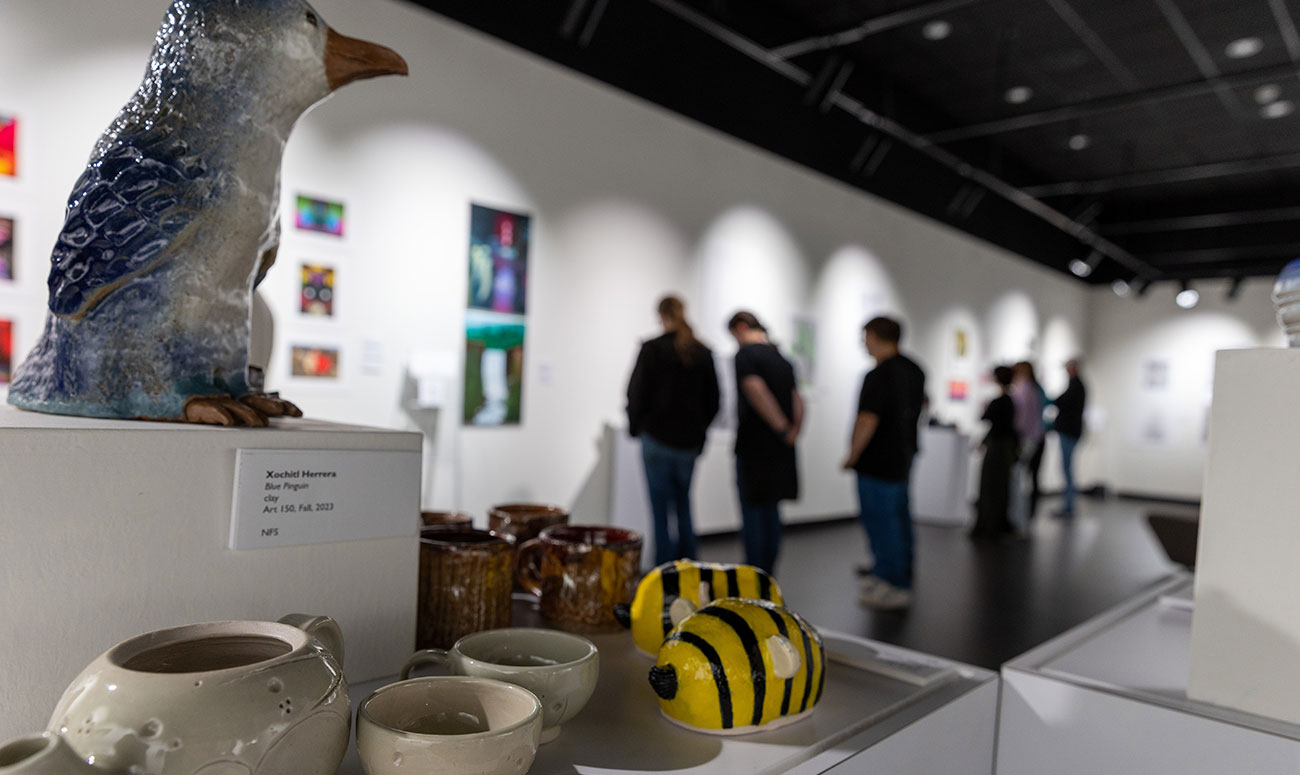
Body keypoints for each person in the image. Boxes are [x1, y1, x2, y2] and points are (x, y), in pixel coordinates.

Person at [626, 296, 721, 566]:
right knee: (684, 508)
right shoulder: (702, 352)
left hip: (656, 441)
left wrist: (637, 428)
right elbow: (714, 401)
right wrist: (699, 432)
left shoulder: (652, 349)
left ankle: (664, 574)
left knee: (660, 513)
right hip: (688, 445)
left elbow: (636, 393)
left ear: (660, 315)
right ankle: (690, 569)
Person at [841, 317, 925, 611]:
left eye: (865, 337)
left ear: (875, 336)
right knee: (898, 518)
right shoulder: (914, 369)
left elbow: (867, 419)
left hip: (877, 460)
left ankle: (892, 583)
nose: (864, 343)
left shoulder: (878, 376)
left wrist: (852, 454)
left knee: (880, 520)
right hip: (903, 454)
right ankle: (896, 572)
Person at [727, 311, 802, 575]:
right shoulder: (783, 359)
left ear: (742, 327)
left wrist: (781, 428)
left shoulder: (746, 356)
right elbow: (797, 400)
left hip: (754, 448)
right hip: (780, 451)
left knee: (754, 515)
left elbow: (754, 389)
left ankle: (754, 575)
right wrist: (792, 432)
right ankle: (769, 573)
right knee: (772, 513)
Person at [971, 366, 1019, 539]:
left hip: (997, 448)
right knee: (1000, 486)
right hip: (1004, 446)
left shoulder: (1000, 401)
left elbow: (988, 419)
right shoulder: (1009, 401)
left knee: (991, 486)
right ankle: (995, 524)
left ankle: (989, 525)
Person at [1010, 361, 1047, 526]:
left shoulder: (1024, 389)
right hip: (1035, 437)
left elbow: (1022, 420)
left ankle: (1018, 518)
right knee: (1026, 477)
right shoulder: (1034, 389)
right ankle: (1024, 516)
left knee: (1017, 478)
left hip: (1025, 438)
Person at [1053, 359, 1087, 517]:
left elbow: (1062, 402)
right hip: (1070, 431)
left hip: (1069, 432)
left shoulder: (1076, 386)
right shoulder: (1075, 385)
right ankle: (1068, 504)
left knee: (1067, 469)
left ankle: (1069, 505)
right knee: (1067, 468)